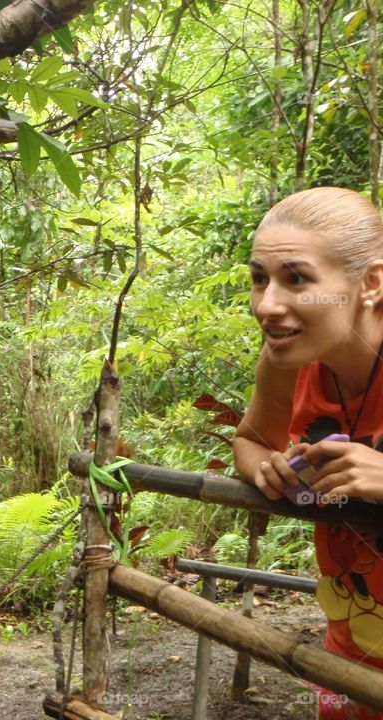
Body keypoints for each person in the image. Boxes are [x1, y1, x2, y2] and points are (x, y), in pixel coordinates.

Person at [233, 186, 383, 720]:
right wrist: (266, 469)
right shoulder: (286, 359)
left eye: (296, 278)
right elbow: (251, 439)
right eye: (259, 278)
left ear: (371, 283)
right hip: (352, 637)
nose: (266, 305)